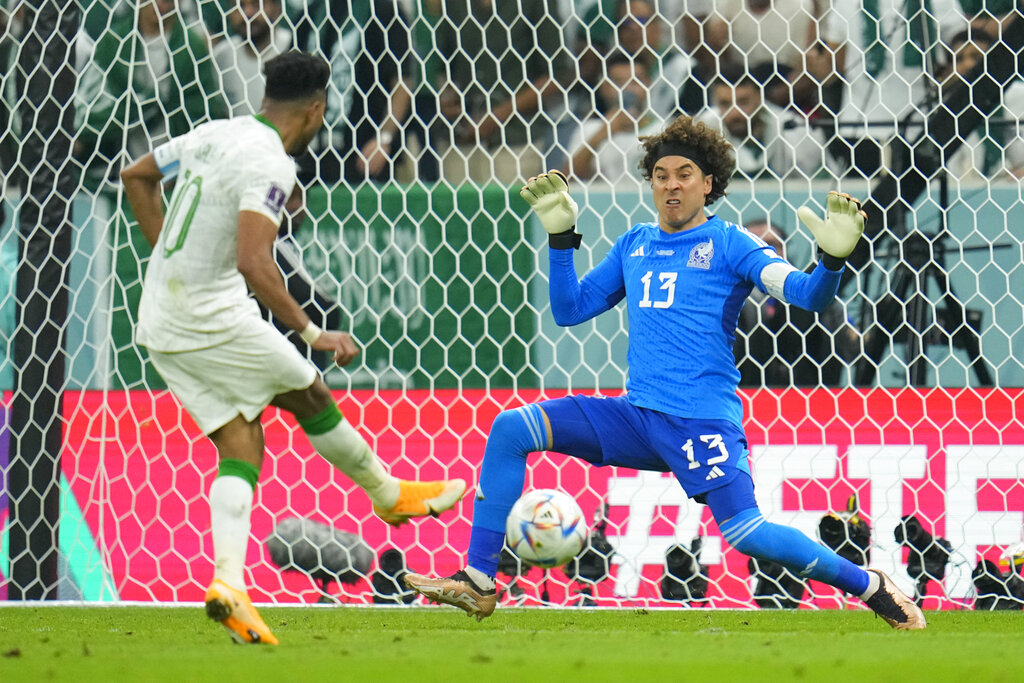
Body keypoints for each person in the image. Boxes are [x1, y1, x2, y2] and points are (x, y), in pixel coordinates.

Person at [404, 114, 926, 630]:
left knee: (747, 532)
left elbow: (806, 295)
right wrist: (561, 239)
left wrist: (832, 260)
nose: (671, 185)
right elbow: (569, 310)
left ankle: (869, 585)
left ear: (709, 183)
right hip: (635, 417)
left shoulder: (732, 243)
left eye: (684, 174)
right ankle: (478, 579)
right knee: (512, 428)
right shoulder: (634, 244)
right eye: (660, 175)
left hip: (701, 423)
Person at [119, 51, 466, 645]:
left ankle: (228, 585)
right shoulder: (274, 165)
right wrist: (312, 331)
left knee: (240, 440)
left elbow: (135, 175)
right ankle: (389, 495)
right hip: (211, 315)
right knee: (308, 389)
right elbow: (257, 262)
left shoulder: (214, 133)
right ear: (316, 109)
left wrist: (168, 261)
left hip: (161, 316)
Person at [74, 0, 228, 190]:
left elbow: (204, 114)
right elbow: (94, 105)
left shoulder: (192, 48)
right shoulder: (114, 41)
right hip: (116, 174)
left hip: (173, 176)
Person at [734, 219, 860, 387]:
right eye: (751, 248)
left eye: (770, 245)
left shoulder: (826, 307)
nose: (760, 255)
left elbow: (856, 347)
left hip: (809, 393)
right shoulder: (725, 302)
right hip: (745, 395)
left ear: (786, 253)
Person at [697, 73, 834, 179]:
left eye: (743, 102)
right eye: (725, 104)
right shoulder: (701, 132)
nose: (735, 113)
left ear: (760, 98)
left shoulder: (794, 130)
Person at [562, 52, 664, 185]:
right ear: (604, 88)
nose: (627, 89)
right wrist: (603, 133)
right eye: (619, 82)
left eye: (635, 81)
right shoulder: (588, 129)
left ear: (649, 85)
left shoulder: (663, 129)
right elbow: (567, 179)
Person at [212, 0, 292, 117]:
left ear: (277, 9)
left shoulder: (293, 47)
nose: (248, 13)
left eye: (257, 5)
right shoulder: (222, 56)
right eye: (239, 6)